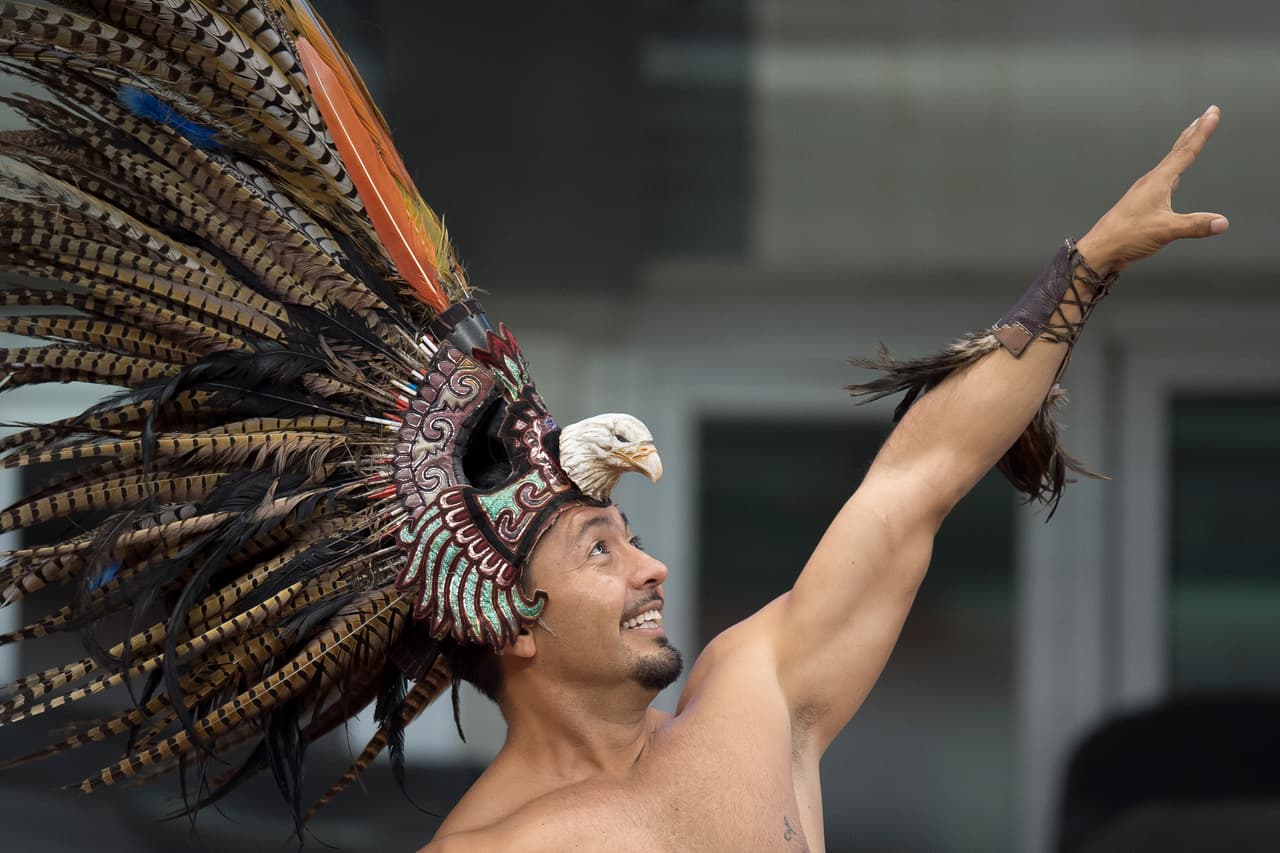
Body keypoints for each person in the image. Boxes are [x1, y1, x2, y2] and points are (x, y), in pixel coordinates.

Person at [424, 107, 1228, 852]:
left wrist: (1088, 263)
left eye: (632, 541)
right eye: (601, 552)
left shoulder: (752, 700)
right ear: (514, 622)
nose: (652, 568)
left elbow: (915, 480)